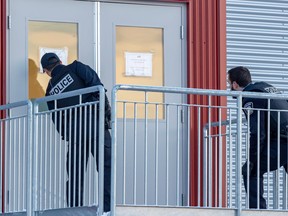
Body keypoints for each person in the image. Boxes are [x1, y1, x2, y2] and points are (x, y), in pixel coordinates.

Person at [41, 52, 111, 215]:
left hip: (75, 131)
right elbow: (98, 88)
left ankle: (74, 209)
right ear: (60, 61)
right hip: (96, 123)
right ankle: (108, 208)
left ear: (46, 71)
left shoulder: (50, 90)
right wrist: (106, 116)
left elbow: (56, 118)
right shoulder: (77, 67)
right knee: (106, 166)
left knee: (75, 172)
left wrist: (67, 133)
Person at [227, 66, 288, 209]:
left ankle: (258, 211)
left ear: (235, 84)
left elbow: (257, 132)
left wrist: (253, 159)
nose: (229, 87)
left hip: (282, 139)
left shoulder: (250, 97)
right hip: (282, 136)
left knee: (250, 169)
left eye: (229, 83)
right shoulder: (264, 87)